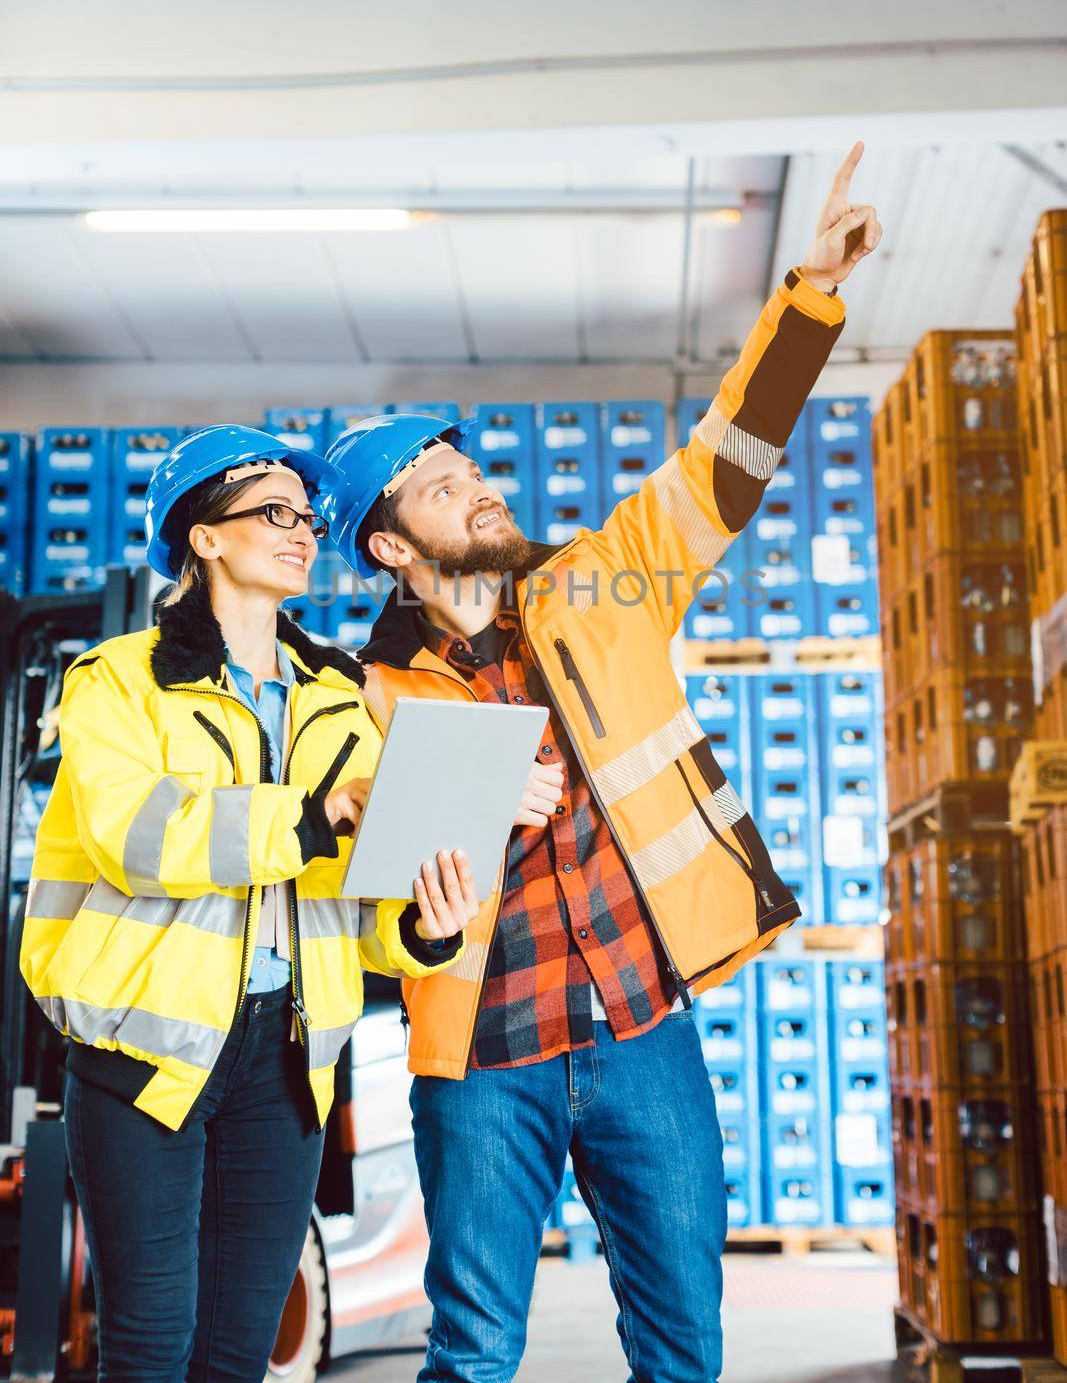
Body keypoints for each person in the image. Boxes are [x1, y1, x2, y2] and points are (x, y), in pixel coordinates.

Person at [316, 144, 884, 1383]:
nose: (472, 490)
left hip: (640, 1030)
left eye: (469, 470)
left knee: (682, 1348)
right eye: (434, 486)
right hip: (479, 1063)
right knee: (470, 1354)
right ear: (389, 552)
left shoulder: (598, 588)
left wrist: (807, 298)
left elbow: (722, 469)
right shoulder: (363, 695)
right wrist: (450, 832)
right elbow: (365, 906)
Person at [19, 423, 479, 1383]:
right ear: (204, 535)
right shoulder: (117, 684)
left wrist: (421, 927)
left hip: (288, 1056)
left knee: (238, 1354)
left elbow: (354, 894)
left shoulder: (335, 694)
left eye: (307, 517)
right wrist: (313, 815)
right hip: (143, 1054)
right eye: (273, 513)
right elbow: (138, 837)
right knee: (148, 1345)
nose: (303, 531)